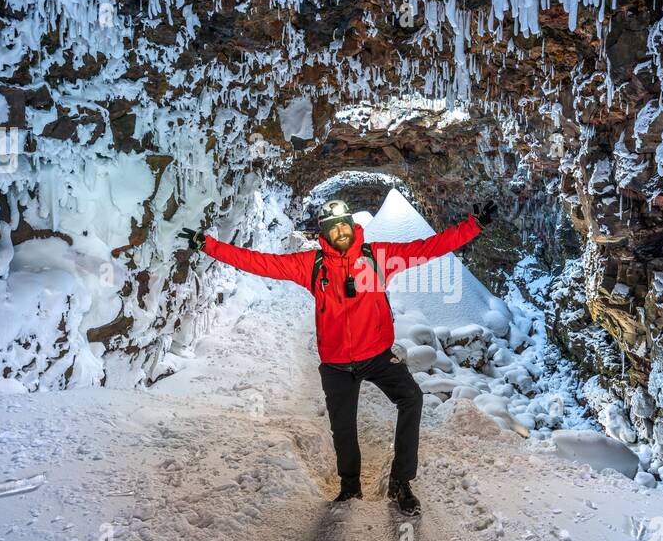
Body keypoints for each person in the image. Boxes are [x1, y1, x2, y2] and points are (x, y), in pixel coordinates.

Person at [179, 197, 497, 514]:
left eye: (345, 224)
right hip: (336, 365)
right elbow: (260, 262)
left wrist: (474, 226)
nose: (341, 231)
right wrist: (207, 246)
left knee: (411, 398)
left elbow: (428, 248)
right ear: (326, 232)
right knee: (343, 428)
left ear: (352, 226)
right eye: (334, 227)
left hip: (376, 355)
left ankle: (401, 483)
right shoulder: (312, 266)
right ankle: (349, 488)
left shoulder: (378, 258)